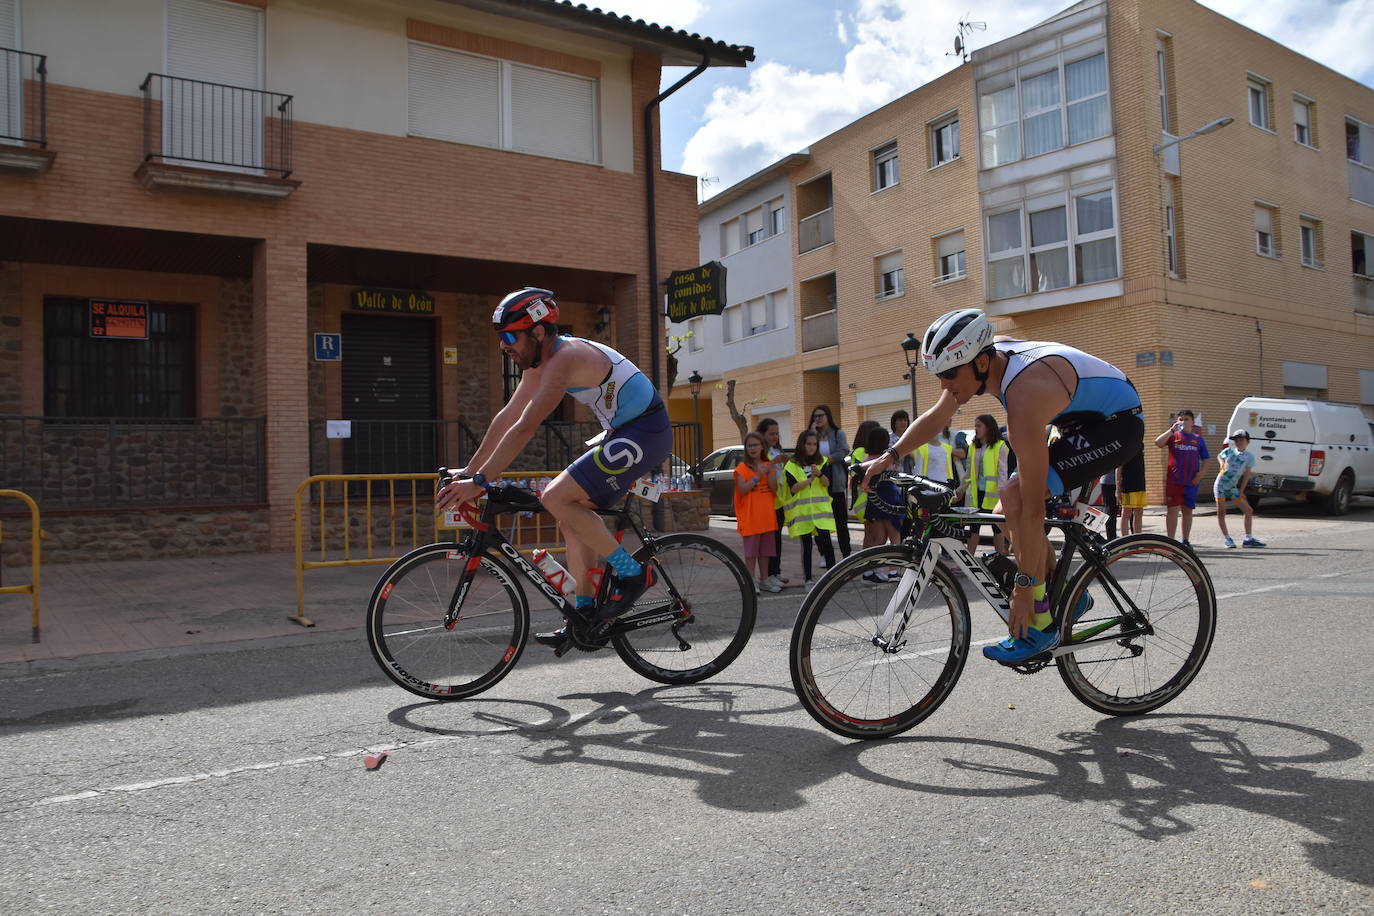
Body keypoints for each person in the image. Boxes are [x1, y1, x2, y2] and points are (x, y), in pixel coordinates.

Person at [861, 308, 1144, 663]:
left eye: (949, 375)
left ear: (980, 363)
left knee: (1016, 498)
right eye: (938, 375)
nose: (944, 385)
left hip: (1115, 427)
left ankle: (1040, 623)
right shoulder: (984, 361)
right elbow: (938, 415)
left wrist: (1023, 588)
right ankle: (1068, 593)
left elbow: (1034, 505)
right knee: (1003, 513)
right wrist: (888, 457)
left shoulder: (1024, 395)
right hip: (1077, 419)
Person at [436, 288, 672, 650]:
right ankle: (584, 615)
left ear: (538, 332)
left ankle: (633, 574)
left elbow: (525, 428)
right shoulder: (542, 361)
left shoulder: (565, 358)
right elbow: (507, 417)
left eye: (510, 337)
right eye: (501, 338)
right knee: (569, 515)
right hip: (622, 433)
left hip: (645, 431)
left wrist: (482, 480)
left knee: (555, 496)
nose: (504, 346)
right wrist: (471, 471)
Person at [783, 429, 838, 589]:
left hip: (821, 513)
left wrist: (820, 475)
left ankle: (832, 576)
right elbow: (793, 488)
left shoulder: (822, 461)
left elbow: (828, 484)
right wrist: (811, 479)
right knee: (806, 547)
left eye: (815, 444)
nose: (812, 447)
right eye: (808, 444)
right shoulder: (792, 464)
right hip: (803, 514)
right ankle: (808, 579)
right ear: (802, 444)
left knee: (827, 544)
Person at [957, 414, 1009, 558]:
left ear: (988, 427)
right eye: (975, 425)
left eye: (978, 425)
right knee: (974, 529)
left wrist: (1003, 498)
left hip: (994, 497)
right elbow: (968, 473)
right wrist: (959, 491)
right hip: (977, 496)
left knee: (997, 530)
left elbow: (1002, 474)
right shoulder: (974, 447)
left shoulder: (1000, 446)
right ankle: (969, 561)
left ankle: (999, 561)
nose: (975, 428)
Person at [1154, 409, 1209, 546]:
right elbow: (1158, 442)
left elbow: (1206, 459)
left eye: (1186, 419)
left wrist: (1201, 473)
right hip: (1174, 481)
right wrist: (1171, 430)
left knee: (1187, 511)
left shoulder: (1198, 439)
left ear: (1192, 422)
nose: (1183, 422)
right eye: (1181, 419)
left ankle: (1185, 541)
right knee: (1172, 510)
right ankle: (1170, 541)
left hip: (1191, 482)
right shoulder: (1174, 436)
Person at [734, 431, 781, 593]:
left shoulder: (768, 465)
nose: (752, 448)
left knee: (766, 551)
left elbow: (774, 488)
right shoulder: (742, 468)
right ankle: (750, 581)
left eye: (755, 445)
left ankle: (764, 580)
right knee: (751, 552)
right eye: (749, 445)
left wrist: (770, 472)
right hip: (750, 515)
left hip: (767, 515)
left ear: (762, 447)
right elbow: (742, 489)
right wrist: (757, 477)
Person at [858, 425, 903, 582]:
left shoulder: (866, 460)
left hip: (874, 501)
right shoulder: (886, 459)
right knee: (895, 536)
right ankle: (893, 572)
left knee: (878, 538)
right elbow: (894, 474)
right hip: (890, 499)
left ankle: (871, 571)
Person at [809, 404, 852, 558]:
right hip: (817, 482)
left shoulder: (837, 433)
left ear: (828, 416)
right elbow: (807, 453)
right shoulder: (812, 435)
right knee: (820, 521)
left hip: (835, 479)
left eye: (821, 415)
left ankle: (846, 554)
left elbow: (843, 451)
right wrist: (812, 434)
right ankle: (824, 553)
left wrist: (827, 461)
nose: (818, 419)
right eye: (815, 416)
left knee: (840, 521)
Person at [1215, 429, 1265, 548]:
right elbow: (1219, 456)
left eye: (1242, 440)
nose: (1239, 442)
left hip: (1232, 487)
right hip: (1220, 485)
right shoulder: (1229, 451)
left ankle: (1248, 538)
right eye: (1236, 440)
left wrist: (1241, 490)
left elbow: (1247, 474)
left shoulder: (1249, 457)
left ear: (1248, 442)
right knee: (1221, 512)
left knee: (1248, 510)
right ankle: (1227, 539)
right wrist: (1221, 463)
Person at [756, 418, 789, 589]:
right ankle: (766, 575)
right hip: (766, 502)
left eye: (777, 433)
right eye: (771, 433)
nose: (775, 437)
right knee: (767, 541)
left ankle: (775, 571)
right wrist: (774, 463)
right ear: (762, 434)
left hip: (778, 501)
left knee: (776, 539)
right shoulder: (759, 452)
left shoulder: (776, 451)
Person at [1118, 449, 1147, 536]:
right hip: (1128, 486)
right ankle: (1125, 540)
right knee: (1127, 513)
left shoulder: (1140, 444)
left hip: (1140, 485)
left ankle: (1137, 538)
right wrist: (1118, 488)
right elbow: (1118, 468)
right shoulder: (1127, 445)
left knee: (1139, 513)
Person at [1099, 469, 1119, 540]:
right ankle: (1111, 537)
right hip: (1113, 481)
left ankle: (1111, 536)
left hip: (1105, 480)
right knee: (1111, 510)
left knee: (1108, 509)